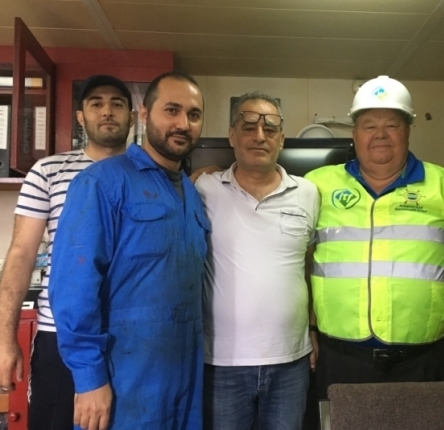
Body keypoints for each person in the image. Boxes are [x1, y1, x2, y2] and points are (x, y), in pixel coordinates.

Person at [304, 75, 444, 399]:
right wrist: (308, 326)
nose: (380, 134)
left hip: (425, 358)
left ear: (408, 131)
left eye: (392, 125)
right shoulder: (316, 186)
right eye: (369, 125)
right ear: (355, 133)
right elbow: (295, 259)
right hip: (339, 357)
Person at [49, 71, 209, 430]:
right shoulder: (101, 182)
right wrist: (89, 378)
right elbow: (73, 288)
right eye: (172, 110)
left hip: (185, 375)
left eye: (194, 114)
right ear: (145, 114)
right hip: (124, 378)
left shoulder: (191, 193)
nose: (183, 123)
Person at [0, 75, 134, 430]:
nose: (107, 111)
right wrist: (4, 339)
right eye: (96, 104)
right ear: (80, 117)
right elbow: (21, 254)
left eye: (117, 104)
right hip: (60, 334)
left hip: (130, 335)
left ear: (133, 117)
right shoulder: (48, 172)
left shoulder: (148, 174)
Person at [196, 91, 319, 430]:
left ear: (282, 138)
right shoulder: (204, 189)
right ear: (231, 135)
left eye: (270, 128)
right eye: (248, 127)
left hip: (291, 363)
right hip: (221, 364)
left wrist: (312, 328)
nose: (260, 136)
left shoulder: (308, 193)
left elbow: (309, 267)